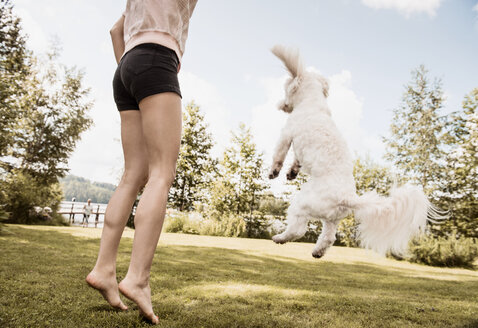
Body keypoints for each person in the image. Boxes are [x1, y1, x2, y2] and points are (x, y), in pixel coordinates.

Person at [86, 0, 198, 324]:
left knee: (132, 174)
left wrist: (131, 67)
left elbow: (115, 30)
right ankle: (137, 278)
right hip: (156, 58)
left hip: (125, 67)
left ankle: (104, 269)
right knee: (162, 172)